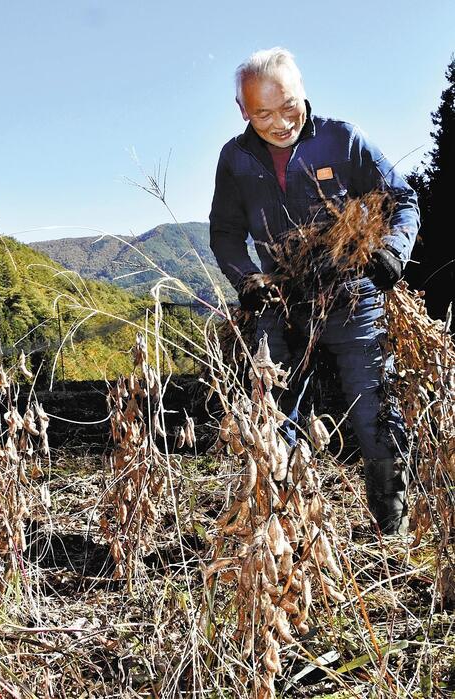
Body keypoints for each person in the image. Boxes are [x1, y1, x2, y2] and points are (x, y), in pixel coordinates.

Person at [209, 48, 419, 535]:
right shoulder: (235, 159)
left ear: (302, 91)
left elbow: (402, 197)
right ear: (242, 110)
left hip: (351, 295)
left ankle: (392, 525)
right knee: (273, 410)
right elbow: (224, 233)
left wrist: (392, 250)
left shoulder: (342, 140)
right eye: (262, 113)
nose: (280, 123)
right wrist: (247, 278)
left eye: (288, 106)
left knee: (374, 406)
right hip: (279, 301)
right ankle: (280, 530)